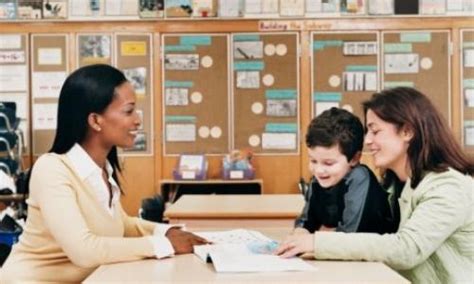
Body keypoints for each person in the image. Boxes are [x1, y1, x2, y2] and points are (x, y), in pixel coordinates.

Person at [0, 64, 208, 282]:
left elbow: (122, 225)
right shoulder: (52, 169)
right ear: (95, 121)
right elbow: (84, 250)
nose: (137, 120)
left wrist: (165, 232)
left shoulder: (101, 170)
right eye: (128, 111)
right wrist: (164, 245)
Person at [276, 87, 474, 284]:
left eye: (375, 131)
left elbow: (407, 249)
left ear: (407, 131)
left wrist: (317, 242)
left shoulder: (448, 187)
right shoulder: (395, 185)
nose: (367, 140)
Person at [294, 108, 395, 235]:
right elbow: (306, 221)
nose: (319, 170)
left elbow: (350, 234)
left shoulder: (359, 177)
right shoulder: (320, 179)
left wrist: (314, 240)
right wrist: (299, 232)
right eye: (313, 161)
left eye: (328, 163)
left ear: (354, 159)